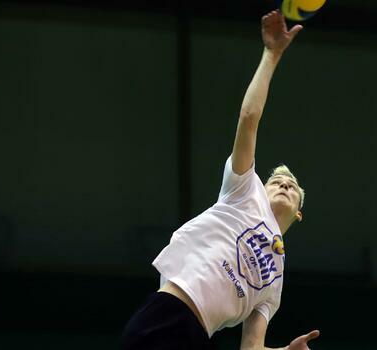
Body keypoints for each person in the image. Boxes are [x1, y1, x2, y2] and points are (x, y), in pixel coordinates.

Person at [121, 10, 319, 350]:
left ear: (298, 213)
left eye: (292, 186)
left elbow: (251, 348)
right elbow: (249, 117)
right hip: (168, 313)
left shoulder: (275, 282)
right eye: (276, 180)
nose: (284, 185)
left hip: (198, 337)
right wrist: (271, 56)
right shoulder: (244, 190)